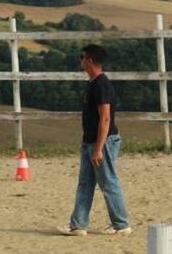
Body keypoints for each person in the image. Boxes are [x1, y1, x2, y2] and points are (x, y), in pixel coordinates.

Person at [58, 44, 131, 236]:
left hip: (102, 142)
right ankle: (78, 224)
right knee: (85, 183)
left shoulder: (101, 85)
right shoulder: (92, 84)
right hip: (90, 141)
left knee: (108, 182)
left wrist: (98, 148)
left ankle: (121, 224)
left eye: (81, 57)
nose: (80, 61)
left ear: (89, 60)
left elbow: (105, 118)